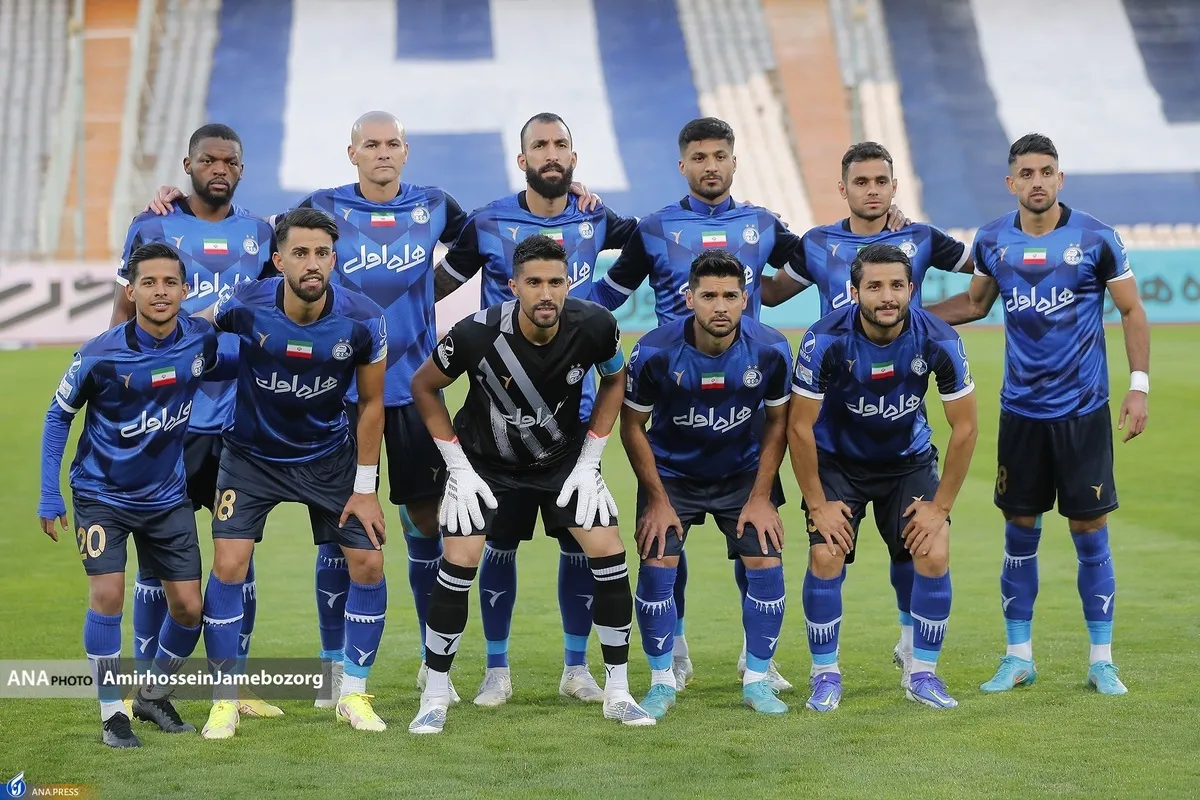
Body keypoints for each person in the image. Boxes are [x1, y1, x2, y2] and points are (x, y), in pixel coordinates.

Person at [146, 112, 600, 703]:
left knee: (426, 524)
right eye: (371, 144)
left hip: (411, 390)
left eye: (392, 144)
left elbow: (498, 229)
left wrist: (568, 196)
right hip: (339, 394)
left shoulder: (436, 206)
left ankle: (431, 665)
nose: (382, 153)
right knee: (340, 534)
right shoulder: (321, 206)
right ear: (352, 152)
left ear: (405, 152)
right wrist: (181, 201)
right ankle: (333, 669)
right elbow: (262, 243)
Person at [926, 133, 1150, 696]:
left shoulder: (1096, 238)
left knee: (1089, 530)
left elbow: (1130, 309)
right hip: (1022, 413)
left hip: (1083, 411)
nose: (1038, 181)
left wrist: (1138, 387)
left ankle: (1102, 661)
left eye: (1047, 171)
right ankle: (1018, 656)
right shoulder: (992, 239)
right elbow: (975, 304)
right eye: (1026, 173)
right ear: (1011, 183)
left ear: (1060, 178)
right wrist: (909, 314)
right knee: (1019, 531)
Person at [431, 112, 640, 707]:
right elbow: (436, 287)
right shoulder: (487, 221)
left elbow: (650, 244)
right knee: (496, 546)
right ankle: (495, 670)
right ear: (521, 159)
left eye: (560, 145)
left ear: (574, 157)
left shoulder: (596, 216)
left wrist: (606, 303)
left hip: (573, 420)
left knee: (581, 544)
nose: (552, 154)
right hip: (497, 418)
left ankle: (577, 668)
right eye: (540, 145)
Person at [407, 235, 653, 734]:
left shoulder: (596, 325)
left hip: (562, 462)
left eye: (556, 282)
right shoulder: (475, 333)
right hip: (485, 465)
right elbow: (423, 385)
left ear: (569, 284)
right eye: (534, 282)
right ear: (512, 286)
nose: (546, 293)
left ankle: (619, 693)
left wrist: (591, 459)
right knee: (459, 560)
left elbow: (615, 379)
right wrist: (456, 466)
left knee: (608, 551)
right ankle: (434, 695)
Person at [760, 140, 972, 683]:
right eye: (862, 181)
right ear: (843, 188)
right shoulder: (817, 246)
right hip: (837, 433)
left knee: (921, 548)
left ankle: (914, 655)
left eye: (881, 181)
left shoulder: (920, 239)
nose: (872, 191)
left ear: (895, 187)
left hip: (903, 437)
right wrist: (716, 272)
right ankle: (824, 674)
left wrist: (930, 320)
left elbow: (985, 269)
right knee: (827, 553)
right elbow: (773, 293)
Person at [197, 208, 390, 738]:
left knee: (368, 563)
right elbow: (196, 332)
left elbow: (372, 404)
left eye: (322, 253)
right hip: (250, 456)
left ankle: (352, 694)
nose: (312, 263)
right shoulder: (244, 303)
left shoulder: (364, 319)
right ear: (278, 260)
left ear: (335, 258)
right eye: (300, 253)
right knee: (229, 564)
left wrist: (366, 489)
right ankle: (224, 698)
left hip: (327, 457)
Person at [110, 124, 280, 716]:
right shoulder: (152, 226)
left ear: (242, 169)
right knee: (158, 562)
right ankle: (145, 684)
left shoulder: (261, 234)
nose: (218, 169)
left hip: (239, 420)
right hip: (169, 422)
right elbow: (121, 318)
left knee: (238, 559)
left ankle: (234, 683)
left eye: (229, 161)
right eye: (208, 160)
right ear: (188, 165)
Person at [39, 243, 228, 747]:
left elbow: (233, 362)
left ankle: (151, 695)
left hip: (166, 497)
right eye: (148, 283)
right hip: (101, 495)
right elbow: (58, 416)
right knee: (107, 596)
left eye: (169, 283)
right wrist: (48, 494)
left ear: (185, 290)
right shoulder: (98, 354)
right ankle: (111, 715)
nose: (160, 292)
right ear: (131, 291)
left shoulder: (201, 340)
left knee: (189, 608)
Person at [789, 243, 978, 712]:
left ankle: (922, 673)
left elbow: (966, 427)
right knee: (826, 554)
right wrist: (818, 505)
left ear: (912, 288)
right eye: (874, 286)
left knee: (933, 550)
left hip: (906, 462)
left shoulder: (939, 339)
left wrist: (940, 508)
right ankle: (824, 674)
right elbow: (798, 427)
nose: (887, 296)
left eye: (896, 285)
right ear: (854, 292)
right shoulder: (823, 339)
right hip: (838, 462)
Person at [621, 250, 792, 718]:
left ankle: (757, 681)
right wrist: (656, 500)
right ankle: (662, 682)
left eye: (730, 296)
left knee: (766, 560)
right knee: (657, 562)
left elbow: (779, 423)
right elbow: (632, 426)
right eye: (709, 296)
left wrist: (762, 497)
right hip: (672, 475)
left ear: (745, 299)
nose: (720, 306)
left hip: (743, 473)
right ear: (689, 298)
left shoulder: (771, 348)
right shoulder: (654, 351)